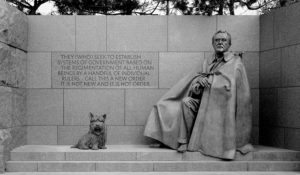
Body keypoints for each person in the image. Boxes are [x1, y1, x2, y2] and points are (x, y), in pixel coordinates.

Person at [144, 30, 253, 160]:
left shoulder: (236, 62)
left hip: (219, 108)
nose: (220, 42)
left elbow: (231, 86)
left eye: (223, 40)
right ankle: (183, 141)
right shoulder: (208, 61)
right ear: (213, 43)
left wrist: (212, 81)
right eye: (217, 40)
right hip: (202, 102)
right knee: (182, 103)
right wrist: (198, 84)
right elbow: (197, 81)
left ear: (229, 44)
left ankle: (193, 142)